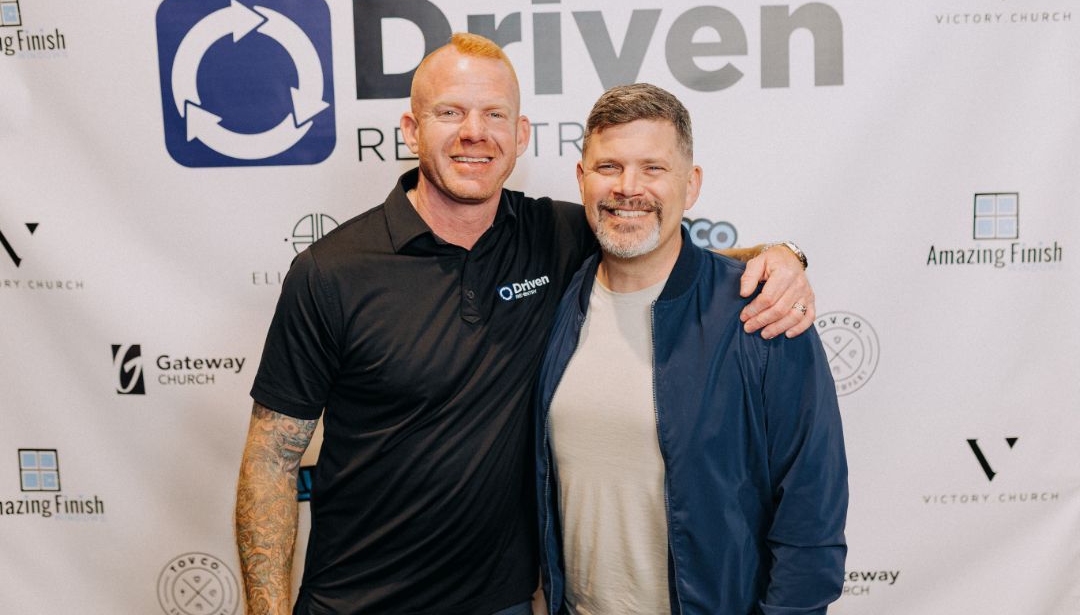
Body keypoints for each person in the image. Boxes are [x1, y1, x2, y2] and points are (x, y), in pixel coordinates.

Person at [235, 34, 816, 615]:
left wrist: (782, 255)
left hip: (505, 604)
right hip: (356, 603)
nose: (474, 132)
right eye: (450, 112)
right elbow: (271, 459)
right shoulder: (331, 271)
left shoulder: (554, 237)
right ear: (411, 130)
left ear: (520, 136)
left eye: (495, 114)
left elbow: (652, 238)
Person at [535, 83, 847, 615]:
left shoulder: (762, 315)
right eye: (609, 167)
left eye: (653, 169)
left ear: (691, 183)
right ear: (583, 179)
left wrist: (786, 254)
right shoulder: (552, 298)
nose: (628, 188)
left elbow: (811, 516)